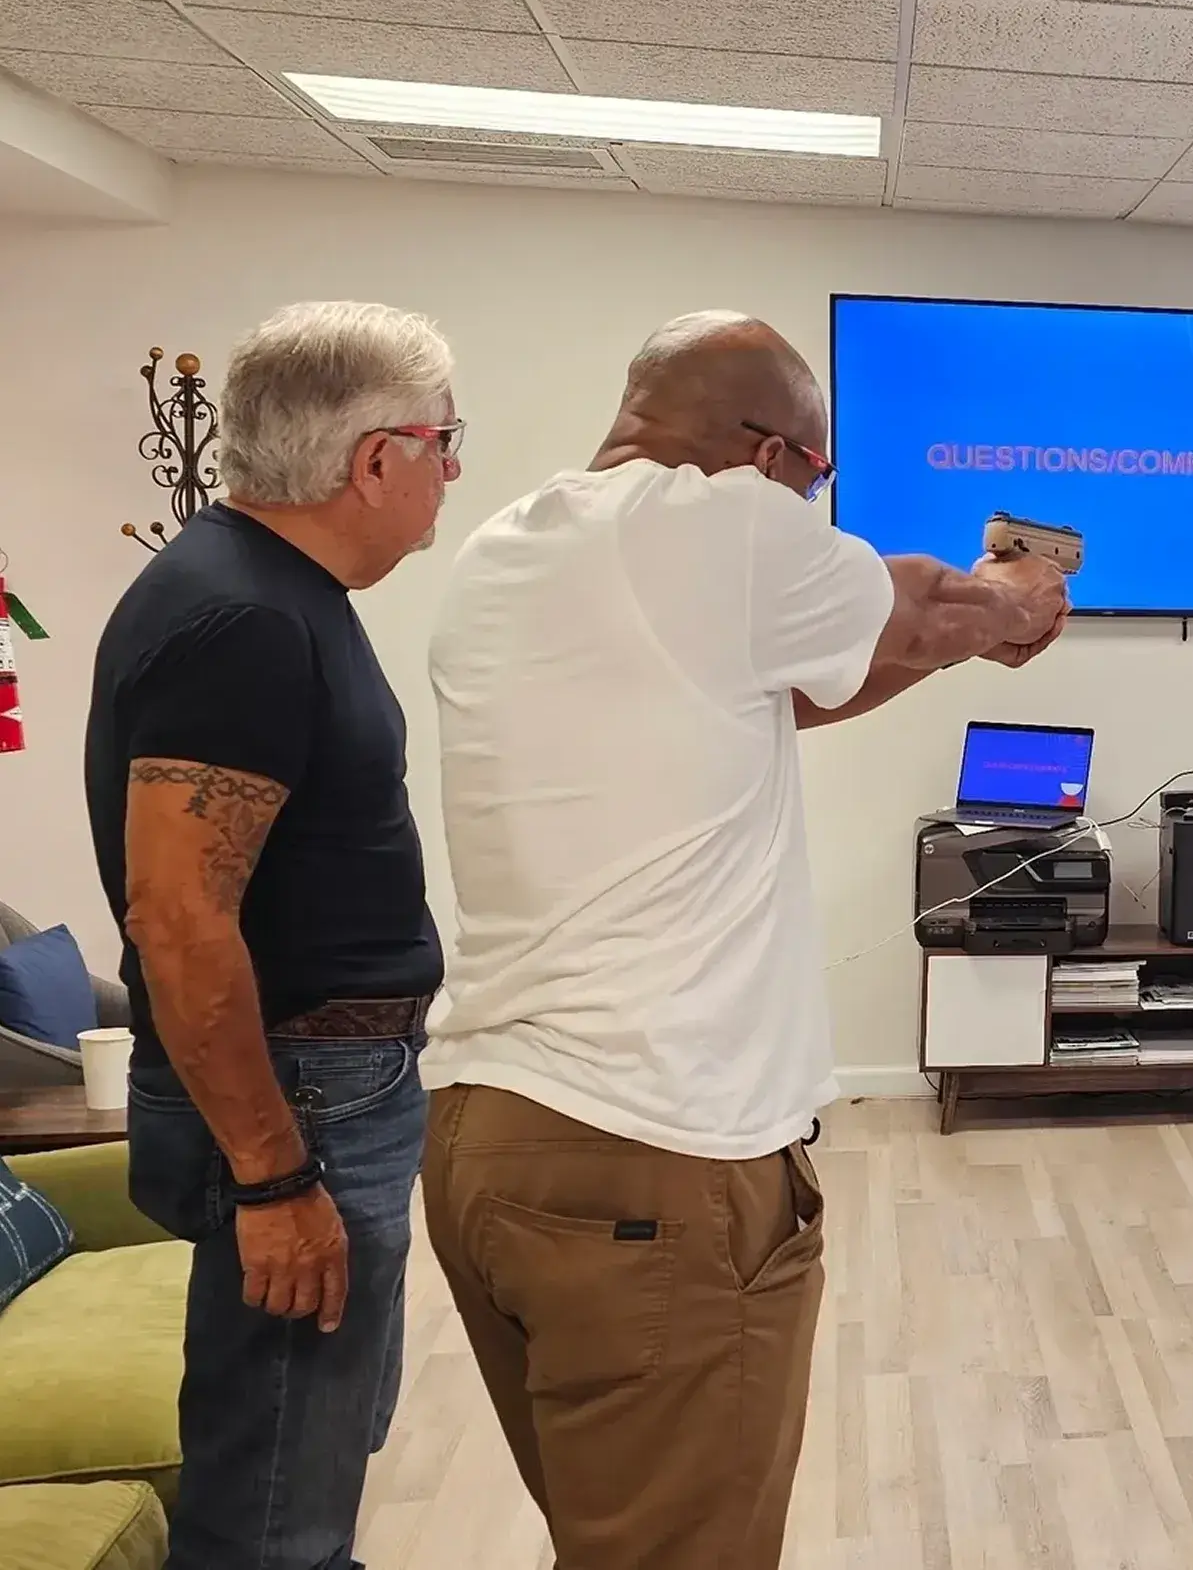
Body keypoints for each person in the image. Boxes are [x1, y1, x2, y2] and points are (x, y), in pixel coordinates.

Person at [420, 310, 1068, 1570]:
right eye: (820, 482)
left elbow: (779, 691)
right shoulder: (723, 521)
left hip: (492, 1142)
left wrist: (951, 647)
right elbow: (927, 601)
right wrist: (1012, 600)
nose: (815, 506)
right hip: (658, 1159)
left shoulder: (514, 548)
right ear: (773, 459)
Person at [84, 301, 463, 1570]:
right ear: (373, 459)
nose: (453, 473)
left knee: (312, 1453)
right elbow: (182, 922)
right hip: (299, 1103)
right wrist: (274, 1177)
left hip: (326, 1088)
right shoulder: (244, 616)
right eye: (445, 443)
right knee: (273, 1508)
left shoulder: (264, 588)